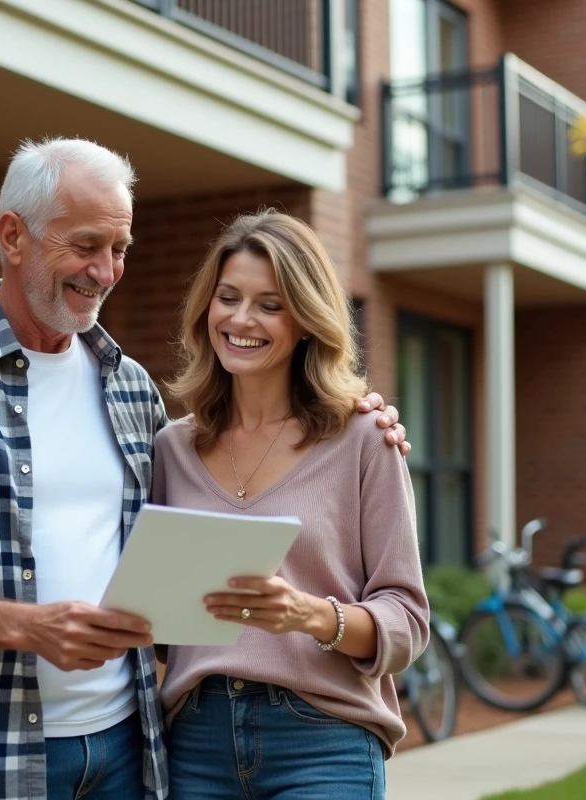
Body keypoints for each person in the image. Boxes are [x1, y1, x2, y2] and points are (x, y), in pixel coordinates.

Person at [0, 138, 410, 800]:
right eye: (86, 245)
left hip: (130, 755)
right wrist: (25, 626)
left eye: (120, 249)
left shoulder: (131, 391)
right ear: (13, 237)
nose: (105, 271)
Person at [153, 209, 429, 800]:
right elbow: (158, 627)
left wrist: (309, 615)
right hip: (196, 744)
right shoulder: (172, 449)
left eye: (270, 305)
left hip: (322, 741)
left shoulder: (364, 439)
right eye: (228, 298)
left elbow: (406, 621)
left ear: (306, 320)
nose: (241, 319)